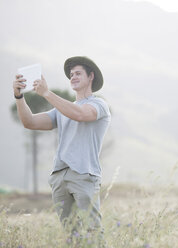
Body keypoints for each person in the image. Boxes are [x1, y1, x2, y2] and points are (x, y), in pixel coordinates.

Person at [12, 56, 111, 236]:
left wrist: (47, 94)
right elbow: (30, 122)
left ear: (91, 77)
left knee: (92, 230)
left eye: (78, 73)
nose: (72, 76)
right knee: (70, 233)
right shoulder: (61, 110)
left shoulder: (99, 104)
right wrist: (19, 96)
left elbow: (81, 114)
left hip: (84, 174)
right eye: (71, 74)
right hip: (59, 176)